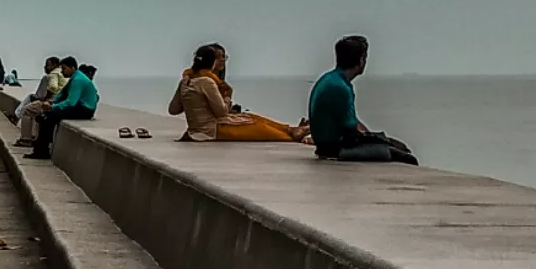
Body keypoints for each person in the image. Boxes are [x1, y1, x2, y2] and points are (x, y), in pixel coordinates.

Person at [309, 36, 418, 164]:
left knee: (394, 145)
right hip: (335, 148)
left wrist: (379, 138)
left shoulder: (331, 79)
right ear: (361, 60)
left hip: (327, 144)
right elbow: (351, 130)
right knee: (408, 158)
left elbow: (351, 123)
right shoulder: (340, 87)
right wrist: (380, 141)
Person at [169, 46, 307, 143]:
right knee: (259, 127)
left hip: (198, 130)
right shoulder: (206, 82)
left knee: (251, 117)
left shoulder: (186, 81)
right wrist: (228, 96)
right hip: (213, 131)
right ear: (212, 62)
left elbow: (173, 110)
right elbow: (222, 112)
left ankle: (291, 129)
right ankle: (293, 134)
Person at [28, 57, 98, 159]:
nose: (62, 71)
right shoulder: (74, 78)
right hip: (79, 106)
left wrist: (52, 107)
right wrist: (53, 101)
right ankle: (40, 149)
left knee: (48, 118)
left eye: (64, 68)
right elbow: (62, 94)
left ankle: (42, 151)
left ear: (72, 68)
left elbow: (71, 102)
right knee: (44, 117)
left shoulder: (78, 80)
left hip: (84, 109)